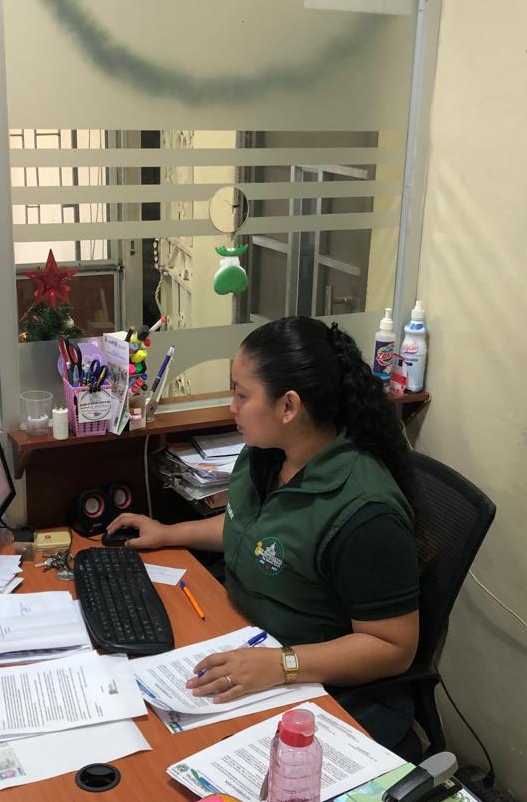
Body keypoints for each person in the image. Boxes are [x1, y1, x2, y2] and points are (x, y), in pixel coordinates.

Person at [106, 316, 420, 747]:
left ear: (288, 407)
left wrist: (280, 665)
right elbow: (251, 529)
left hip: (317, 687)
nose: (231, 407)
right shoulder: (269, 455)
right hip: (247, 636)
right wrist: (168, 533)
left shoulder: (366, 514)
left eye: (241, 394)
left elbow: (393, 647)